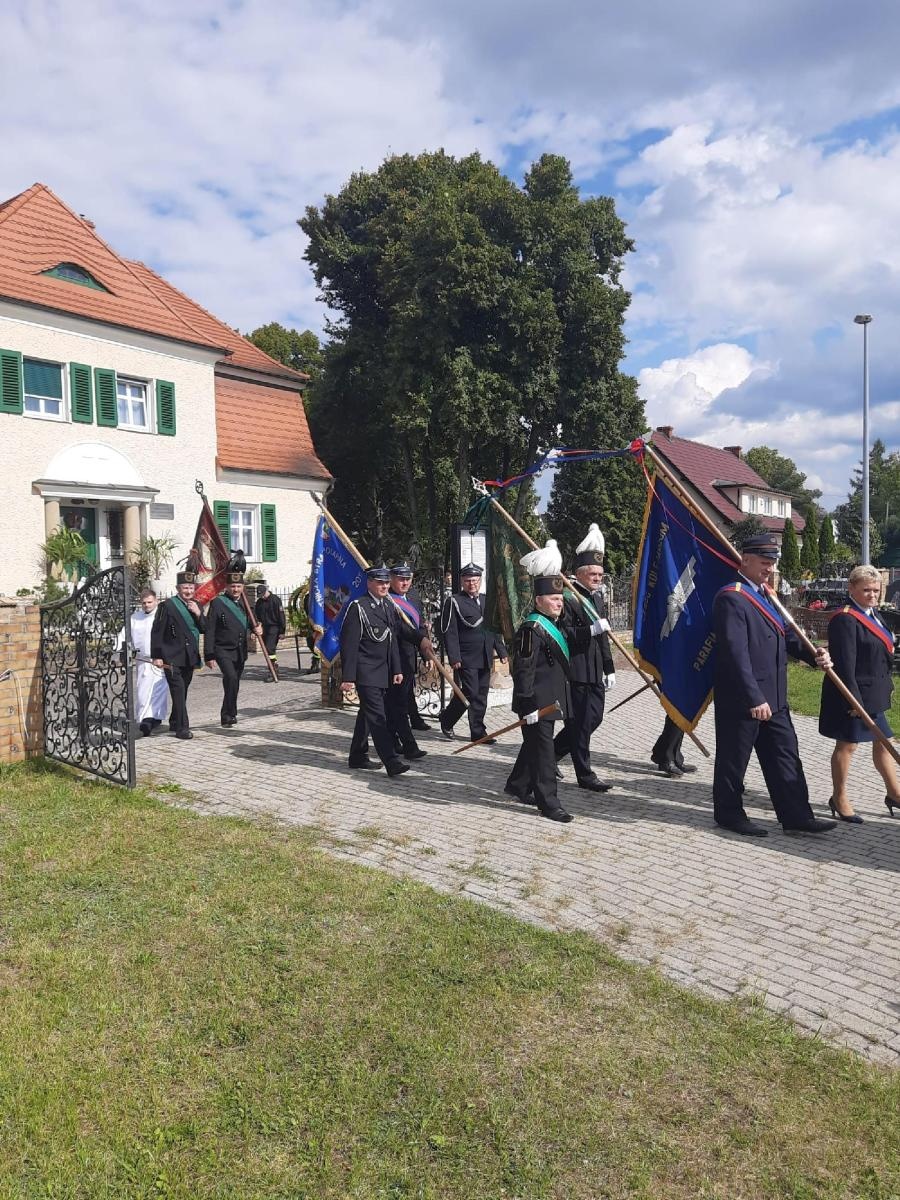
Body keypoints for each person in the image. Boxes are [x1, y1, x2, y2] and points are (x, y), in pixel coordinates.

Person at [712, 534, 836, 836]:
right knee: (734, 759)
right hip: (745, 698)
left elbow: (788, 635)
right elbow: (734, 653)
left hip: (775, 697)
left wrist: (813, 654)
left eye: (772, 563)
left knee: (785, 756)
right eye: (765, 563)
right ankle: (728, 814)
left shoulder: (766, 594)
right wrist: (753, 697)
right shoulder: (732, 597)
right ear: (746, 560)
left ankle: (797, 816)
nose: (770, 569)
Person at [819, 564, 900, 821]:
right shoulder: (845, 618)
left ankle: (895, 794)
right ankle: (839, 797)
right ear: (851, 588)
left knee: (884, 743)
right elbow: (845, 664)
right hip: (853, 695)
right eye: (866, 590)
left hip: (874, 693)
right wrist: (853, 700)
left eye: (876, 590)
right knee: (848, 746)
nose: (872, 595)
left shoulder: (874, 614)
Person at [505, 570, 574, 822]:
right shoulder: (531, 629)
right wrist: (528, 704)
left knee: (534, 746)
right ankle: (549, 803)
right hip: (535, 702)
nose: (559, 602)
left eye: (561, 598)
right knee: (544, 753)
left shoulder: (553, 625)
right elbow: (524, 670)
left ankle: (518, 785)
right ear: (538, 601)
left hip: (551, 699)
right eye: (553, 598)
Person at [552, 524, 615, 793]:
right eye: (593, 574)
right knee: (579, 724)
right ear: (580, 574)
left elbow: (603, 638)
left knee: (593, 719)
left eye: (600, 574)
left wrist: (610, 667)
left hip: (595, 670)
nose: (598, 578)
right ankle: (585, 774)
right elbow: (563, 634)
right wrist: (590, 629)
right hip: (575, 671)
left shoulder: (597, 599)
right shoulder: (569, 597)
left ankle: (549, 755)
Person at [339, 565, 409, 777]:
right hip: (366, 671)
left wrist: (396, 668)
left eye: (387, 582)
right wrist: (349, 677)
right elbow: (349, 645)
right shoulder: (358, 607)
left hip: (384, 671)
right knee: (378, 716)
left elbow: (392, 640)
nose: (384, 586)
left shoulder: (388, 605)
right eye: (380, 582)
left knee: (367, 715)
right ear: (369, 583)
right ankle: (391, 761)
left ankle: (357, 756)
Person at [439, 563, 507, 743]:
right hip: (466, 656)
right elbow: (450, 631)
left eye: (475, 580)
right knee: (470, 691)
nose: (472, 584)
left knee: (482, 693)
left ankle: (478, 732)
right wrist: (454, 657)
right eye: (468, 581)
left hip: (485, 655)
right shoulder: (454, 601)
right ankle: (447, 719)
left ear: (480, 580)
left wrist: (501, 650)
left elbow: (493, 629)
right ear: (462, 581)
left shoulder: (486, 600)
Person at [151, 570, 206, 740]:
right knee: (179, 689)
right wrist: (156, 656)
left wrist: (198, 613)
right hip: (171, 657)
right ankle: (182, 728)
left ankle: (175, 720)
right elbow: (157, 632)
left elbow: (205, 628)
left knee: (183, 691)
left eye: (191, 587)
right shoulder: (167, 606)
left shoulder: (196, 604)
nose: (188, 591)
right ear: (178, 588)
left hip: (189, 657)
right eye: (185, 587)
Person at [387, 562, 432, 760]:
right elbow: (401, 629)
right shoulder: (388, 600)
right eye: (400, 578)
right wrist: (420, 640)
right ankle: (407, 745)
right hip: (393, 658)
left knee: (396, 704)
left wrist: (425, 654)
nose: (405, 582)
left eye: (408, 579)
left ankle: (392, 741)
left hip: (410, 656)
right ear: (392, 579)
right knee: (397, 704)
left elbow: (420, 627)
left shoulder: (413, 597)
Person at [204, 571, 262, 727]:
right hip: (223, 650)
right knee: (231, 677)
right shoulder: (218, 603)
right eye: (232, 586)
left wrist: (258, 629)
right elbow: (210, 630)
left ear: (242, 587)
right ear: (227, 587)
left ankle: (228, 713)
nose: (235, 589)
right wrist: (209, 655)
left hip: (240, 650)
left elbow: (254, 623)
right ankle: (228, 713)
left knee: (234, 683)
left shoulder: (246, 604)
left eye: (238, 586)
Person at [131, 587, 169, 736]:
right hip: (143, 660)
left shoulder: (162, 616)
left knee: (158, 690)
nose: (147, 605)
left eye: (149, 602)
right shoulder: (134, 617)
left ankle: (153, 719)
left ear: (156, 601)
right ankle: (145, 718)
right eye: (144, 603)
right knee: (143, 691)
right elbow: (124, 636)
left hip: (160, 659)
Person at [255, 580, 286, 681]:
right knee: (267, 650)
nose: (262, 597)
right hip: (265, 628)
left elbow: (281, 616)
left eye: (263, 595)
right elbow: (256, 615)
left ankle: (273, 670)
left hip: (274, 627)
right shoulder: (259, 602)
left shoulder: (275, 600)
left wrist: (282, 631)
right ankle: (272, 667)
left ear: (266, 591)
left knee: (269, 648)